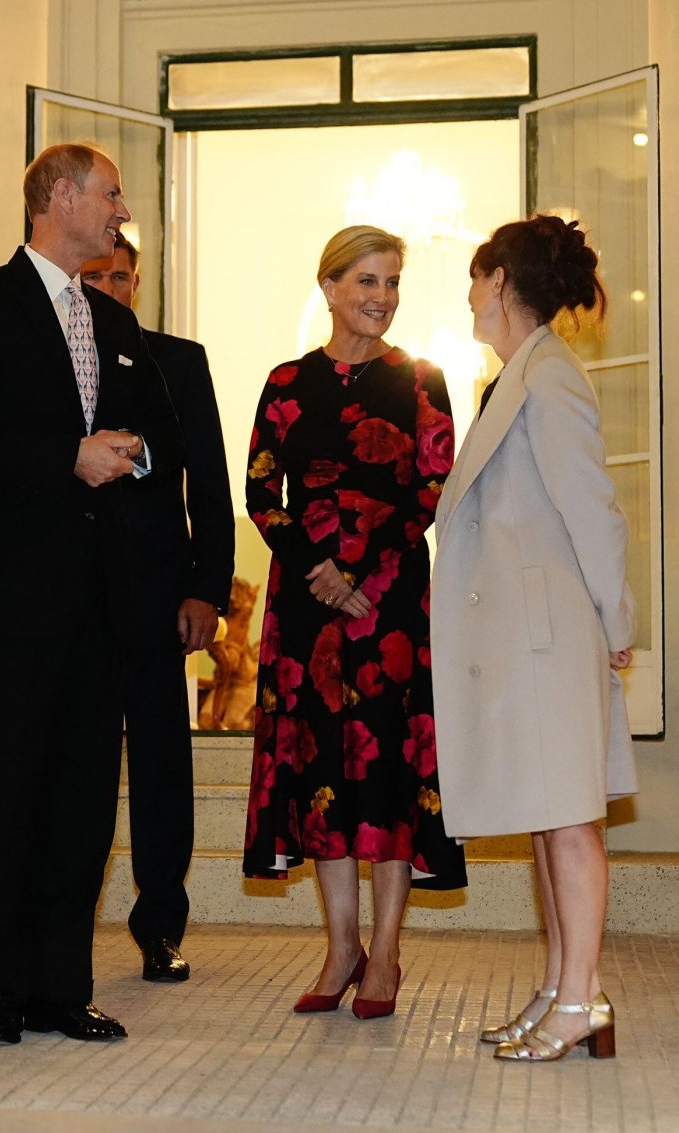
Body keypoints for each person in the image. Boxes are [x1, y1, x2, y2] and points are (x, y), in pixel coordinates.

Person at [0, 143, 180, 1045]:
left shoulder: (112, 320)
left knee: (81, 796)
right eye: (109, 193)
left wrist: (133, 451)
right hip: (10, 596)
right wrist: (64, 457)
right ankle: (0, 988)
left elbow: (162, 428)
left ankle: (62, 984)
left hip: (103, 597)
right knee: (8, 787)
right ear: (59, 196)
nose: (120, 210)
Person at [243, 225, 465, 1021]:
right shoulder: (285, 381)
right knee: (323, 775)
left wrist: (363, 571)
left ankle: (388, 953)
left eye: (393, 282)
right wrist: (319, 572)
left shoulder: (422, 380)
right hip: (307, 604)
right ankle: (341, 948)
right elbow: (263, 491)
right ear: (330, 286)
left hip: (390, 603)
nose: (381, 297)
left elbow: (435, 488)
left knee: (387, 774)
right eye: (366, 280)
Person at [432, 215, 635, 1063]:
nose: (472, 293)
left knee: (571, 822)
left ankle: (583, 995)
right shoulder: (518, 372)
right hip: (524, 638)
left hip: (550, 636)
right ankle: (559, 985)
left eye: (479, 277)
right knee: (549, 822)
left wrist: (617, 621)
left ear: (504, 281)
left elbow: (593, 508)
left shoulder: (549, 374)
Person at [80, 234, 234, 982]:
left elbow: (209, 482)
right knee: (76, 765)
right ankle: (65, 926)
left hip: (156, 595)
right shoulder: (57, 358)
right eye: (94, 275)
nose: (109, 285)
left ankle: (160, 926)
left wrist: (208, 586)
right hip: (72, 599)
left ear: (138, 280)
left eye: (120, 274)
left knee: (162, 767)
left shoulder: (179, 360)